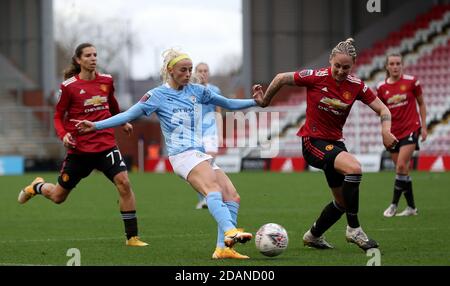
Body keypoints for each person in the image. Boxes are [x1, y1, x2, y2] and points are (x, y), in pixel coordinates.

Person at [74, 49, 261, 259]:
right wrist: (96, 125)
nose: (188, 73)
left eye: (190, 70)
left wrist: (255, 102)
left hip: (198, 153)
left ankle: (224, 248)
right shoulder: (156, 96)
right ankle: (230, 231)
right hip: (182, 155)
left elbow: (227, 103)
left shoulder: (197, 91)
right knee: (213, 189)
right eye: (183, 70)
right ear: (170, 70)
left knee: (232, 196)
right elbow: (128, 114)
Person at [253, 38, 398, 252]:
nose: (340, 71)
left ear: (353, 67)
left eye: (345, 67)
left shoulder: (356, 86)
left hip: (335, 143)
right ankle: (354, 230)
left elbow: (384, 110)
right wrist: (265, 101)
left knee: (341, 202)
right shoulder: (315, 77)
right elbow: (281, 78)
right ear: (330, 60)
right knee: (354, 168)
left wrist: (385, 130)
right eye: (337, 66)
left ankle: (313, 236)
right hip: (312, 142)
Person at [17, 43, 148, 247]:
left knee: (124, 182)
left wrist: (123, 121)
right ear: (78, 60)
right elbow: (58, 115)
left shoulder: (106, 80)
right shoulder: (68, 86)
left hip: (106, 145)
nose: (93, 58)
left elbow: (111, 105)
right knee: (58, 197)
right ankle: (37, 186)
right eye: (88, 55)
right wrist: (63, 135)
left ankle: (132, 237)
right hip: (80, 150)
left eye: (95, 54)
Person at [377, 53, 427, 217]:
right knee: (403, 170)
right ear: (387, 66)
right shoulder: (381, 87)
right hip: (393, 133)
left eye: (398, 63)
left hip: (411, 128)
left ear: (402, 65)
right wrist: (385, 132)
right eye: (392, 64)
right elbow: (381, 111)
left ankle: (393, 205)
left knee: (400, 166)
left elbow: (421, 103)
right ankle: (412, 208)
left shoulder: (412, 82)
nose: (395, 66)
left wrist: (424, 127)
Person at [193, 62, 223, 210]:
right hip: (196, 134)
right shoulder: (191, 90)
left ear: (208, 73)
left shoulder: (215, 90)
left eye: (205, 70)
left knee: (209, 165)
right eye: (200, 71)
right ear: (195, 73)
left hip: (211, 133)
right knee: (199, 169)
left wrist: (221, 133)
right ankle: (204, 198)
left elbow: (218, 112)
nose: (203, 73)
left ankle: (210, 196)